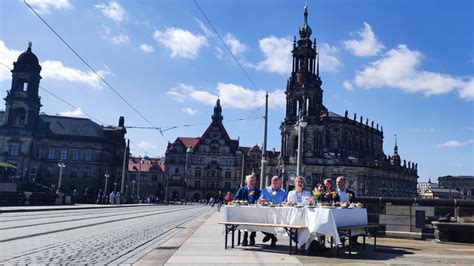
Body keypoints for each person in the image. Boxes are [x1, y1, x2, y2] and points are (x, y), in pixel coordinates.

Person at [258, 176, 287, 247]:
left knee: (277, 225)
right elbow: (260, 200)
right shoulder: (265, 190)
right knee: (259, 224)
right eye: (274, 181)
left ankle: (272, 238)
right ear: (272, 182)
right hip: (266, 212)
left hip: (278, 213)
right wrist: (261, 202)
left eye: (277, 181)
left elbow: (286, 202)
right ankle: (272, 237)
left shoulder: (283, 192)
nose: (275, 182)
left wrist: (283, 204)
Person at [235, 174, 261, 246]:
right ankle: (245, 238)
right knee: (244, 221)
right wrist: (242, 202)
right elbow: (236, 199)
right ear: (246, 181)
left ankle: (252, 237)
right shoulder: (242, 190)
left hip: (254, 211)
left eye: (254, 180)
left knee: (255, 220)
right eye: (251, 180)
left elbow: (261, 200)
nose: (252, 182)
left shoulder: (258, 191)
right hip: (244, 211)